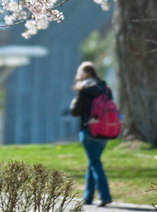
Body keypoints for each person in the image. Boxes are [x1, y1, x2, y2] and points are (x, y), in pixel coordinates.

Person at [70, 61, 113, 207]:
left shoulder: (83, 89)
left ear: (83, 74)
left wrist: (78, 93)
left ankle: (105, 195)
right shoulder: (105, 87)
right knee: (93, 163)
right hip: (104, 132)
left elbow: (75, 111)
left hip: (88, 130)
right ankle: (87, 197)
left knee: (95, 164)